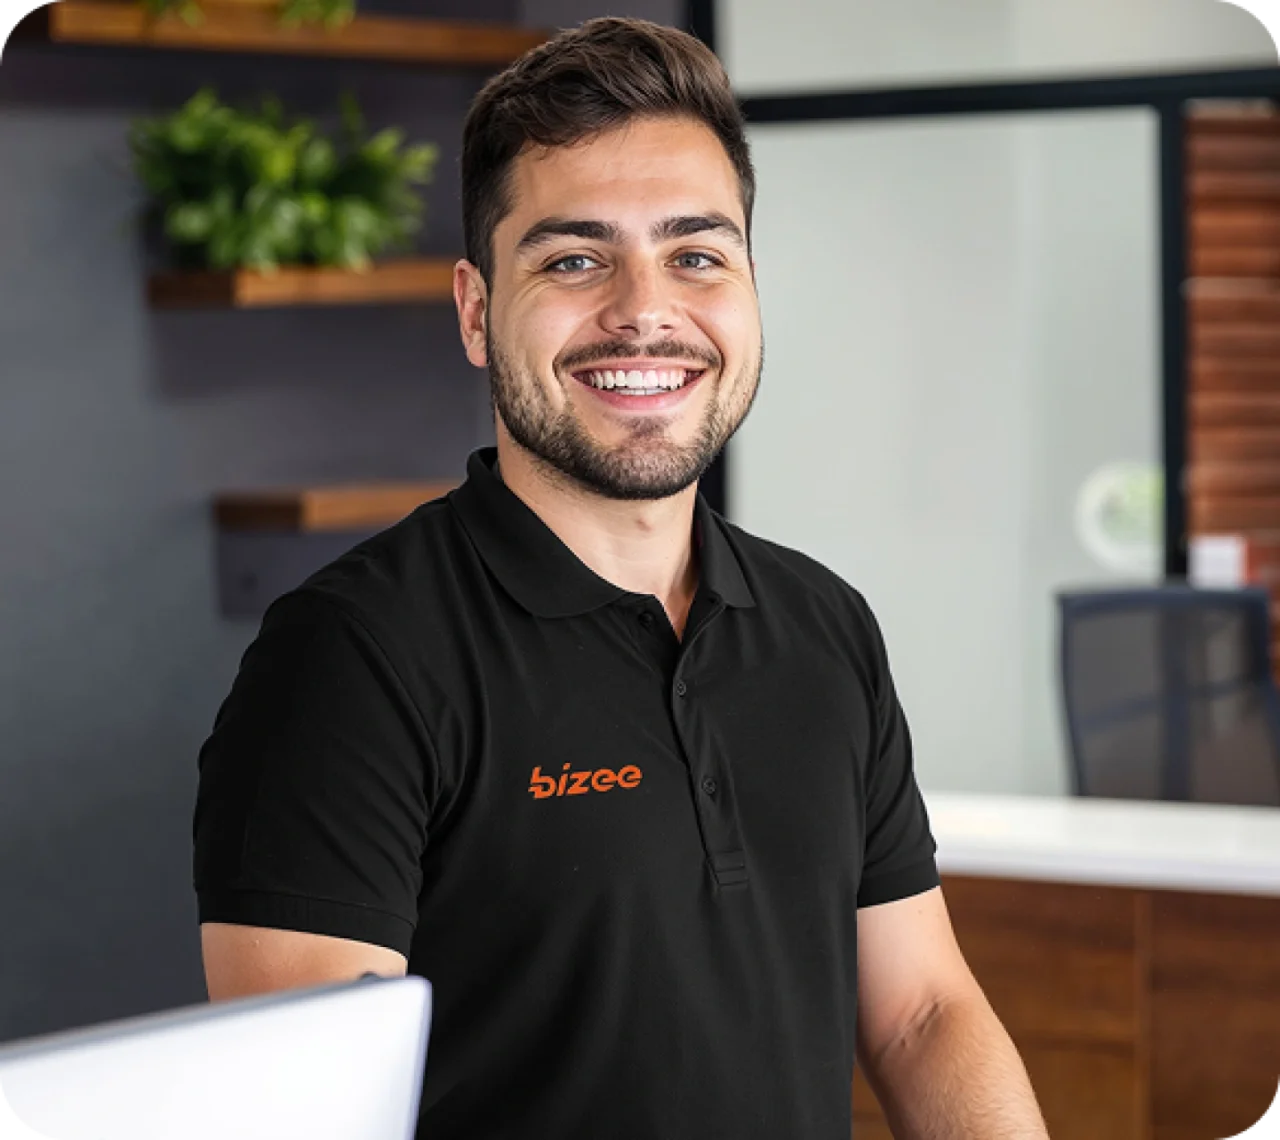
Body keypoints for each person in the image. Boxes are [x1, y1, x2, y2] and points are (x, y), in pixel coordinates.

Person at [193, 17, 1051, 1140]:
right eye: (573, 258)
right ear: (473, 310)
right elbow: (304, 1117)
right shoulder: (352, 657)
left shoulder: (821, 627)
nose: (644, 309)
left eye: (696, 254)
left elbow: (921, 1015)